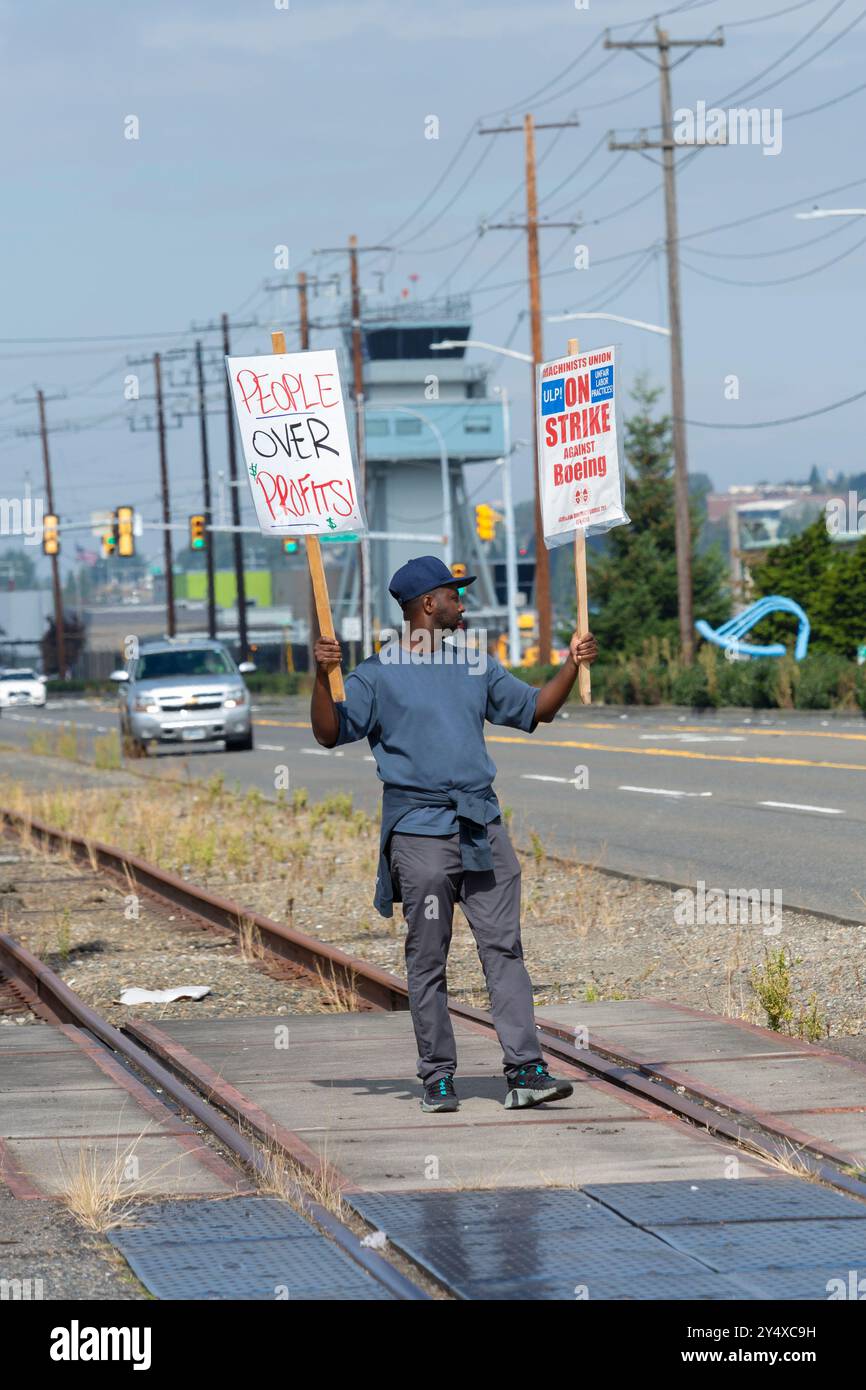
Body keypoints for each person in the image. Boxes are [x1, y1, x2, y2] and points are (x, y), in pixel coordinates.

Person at [310, 555, 598, 1114]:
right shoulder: (375, 673)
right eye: (454, 595)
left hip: (480, 827)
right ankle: (438, 1076)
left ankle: (526, 1070)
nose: (463, 604)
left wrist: (570, 664)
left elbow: (535, 709)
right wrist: (320, 676)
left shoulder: (474, 665)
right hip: (419, 833)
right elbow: (329, 733)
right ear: (427, 605)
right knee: (428, 957)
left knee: (504, 948)